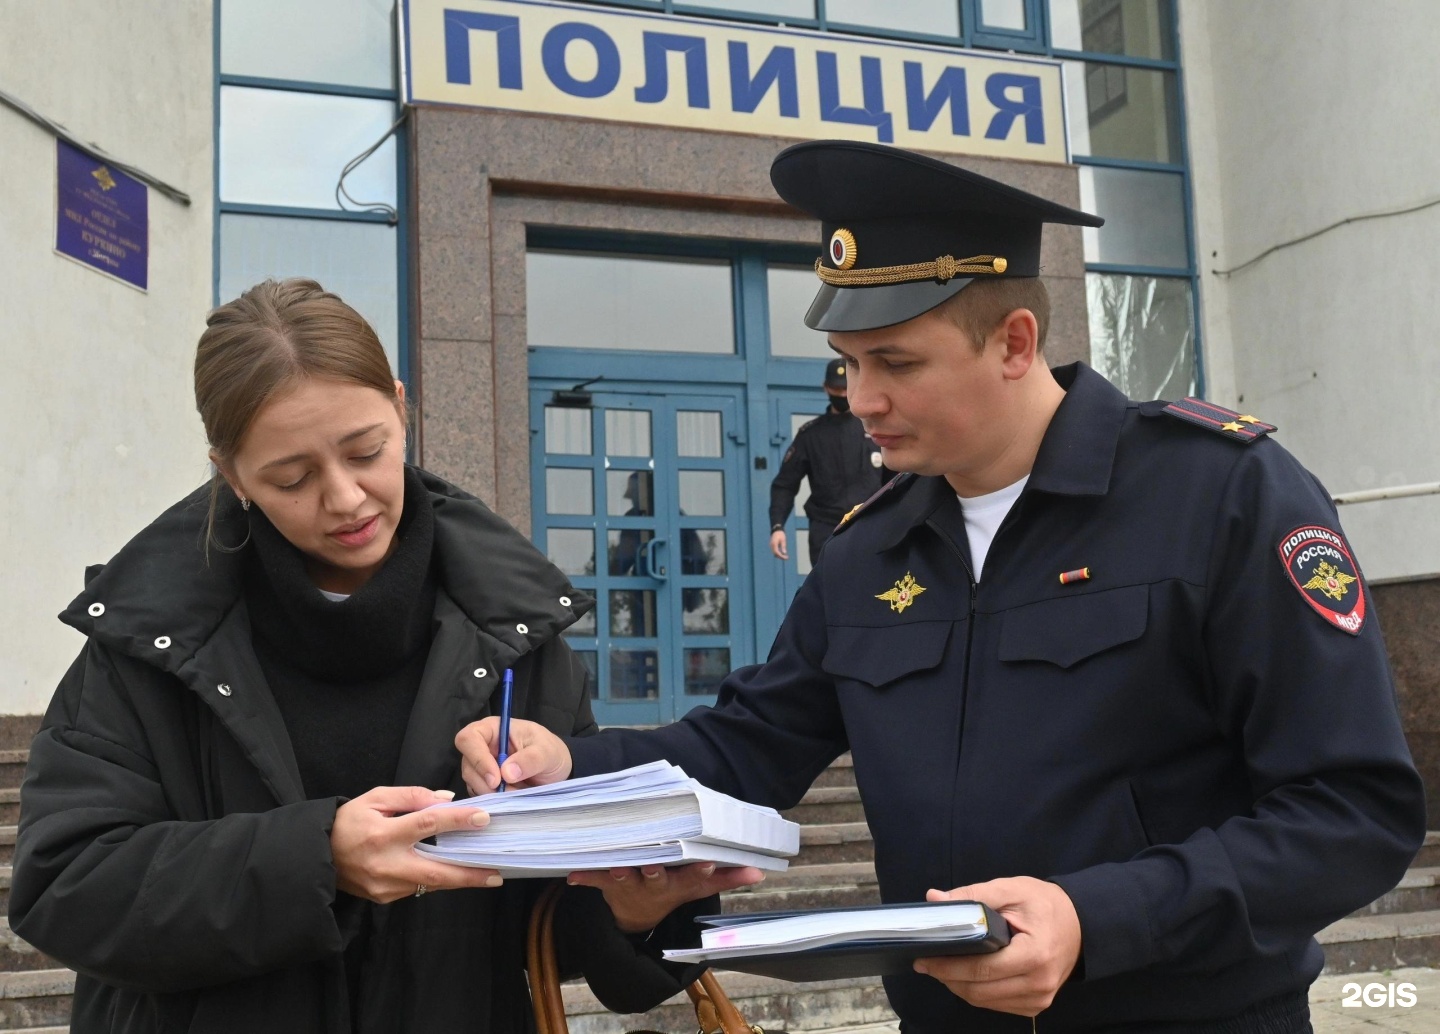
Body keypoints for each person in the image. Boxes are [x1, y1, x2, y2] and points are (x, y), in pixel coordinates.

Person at [460, 141, 1427, 1033]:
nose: (860, 400)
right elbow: (744, 745)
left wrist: (1096, 917)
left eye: (896, 362)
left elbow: (1351, 809)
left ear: (1014, 342)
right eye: (846, 366)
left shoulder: (1218, 494)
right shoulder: (869, 551)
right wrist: (572, 769)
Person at [9, 278, 757, 1033]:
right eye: (292, 478)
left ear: (401, 408)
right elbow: (65, 888)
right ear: (230, 472)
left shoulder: (516, 632)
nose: (345, 499)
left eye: (367, 451)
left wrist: (631, 907)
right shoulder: (149, 638)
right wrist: (318, 860)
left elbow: (544, 931)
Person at [768, 360, 886, 565]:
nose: (841, 394)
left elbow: (899, 477)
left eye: (845, 388)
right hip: (827, 529)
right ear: (826, 388)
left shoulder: (876, 427)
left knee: (876, 593)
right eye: (836, 388)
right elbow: (785, 485)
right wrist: (777, 526)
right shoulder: (811, 434)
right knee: (830, 593)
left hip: (872, 524)